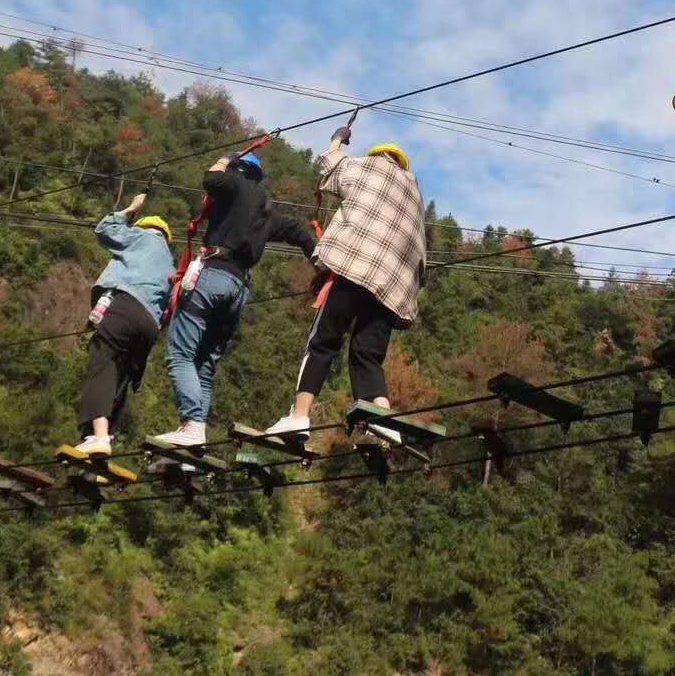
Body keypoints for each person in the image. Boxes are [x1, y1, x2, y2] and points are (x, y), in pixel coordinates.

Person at [265, 127, 426, 444]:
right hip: (393, 290)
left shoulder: (368, 167)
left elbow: (331, 164)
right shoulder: (417, 199)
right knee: (367, 355)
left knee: (322, 343)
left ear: (378, 156)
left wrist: (338, 138)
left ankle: (299, 418)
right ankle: (382, 419)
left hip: (353, 269)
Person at [155, 150, 317, 447]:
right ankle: (196, 432)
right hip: (238, 289)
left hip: (213, 276)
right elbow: (297, 231)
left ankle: (191, 424)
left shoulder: (234, 185)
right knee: (204, 364)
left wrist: (225, 159)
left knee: (180, 354)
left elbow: (211, 178)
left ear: (238, 170)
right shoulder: (267, 209)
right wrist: (317, 259)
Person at [74, 193, 175, 457]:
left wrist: (131, 209)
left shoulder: (141, 238)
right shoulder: (169, 264)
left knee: (102, 362)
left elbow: (106, 229)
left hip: (126, 306)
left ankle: (97, 436)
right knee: (120, 377)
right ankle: (102, 436)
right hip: (150, 325)